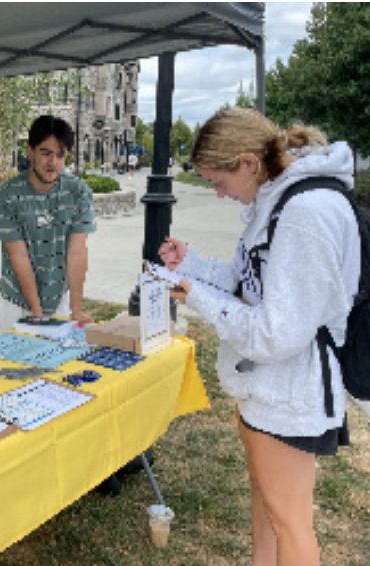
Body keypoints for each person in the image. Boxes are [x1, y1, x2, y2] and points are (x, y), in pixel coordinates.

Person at [158, 107, 359, 566]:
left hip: (290, 388)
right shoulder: (275, 201)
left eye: (218, 182)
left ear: (248, 163)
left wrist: (199, 299)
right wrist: (191, 266)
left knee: (290, 521)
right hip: (268, 385)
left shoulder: (305, 213)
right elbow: (248, 281)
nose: (219, 193)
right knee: (269, 503)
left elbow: (275, 333)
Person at [0, 115, 96, 332]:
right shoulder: (6, 196)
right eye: (45, 153)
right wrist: (37, 315)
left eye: (60, 155)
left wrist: (75, 310)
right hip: (16, 303)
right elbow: (19, 256)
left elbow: (77, 252)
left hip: (60, 298)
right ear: (30, 152)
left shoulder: (78, 192)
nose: (52, 162)